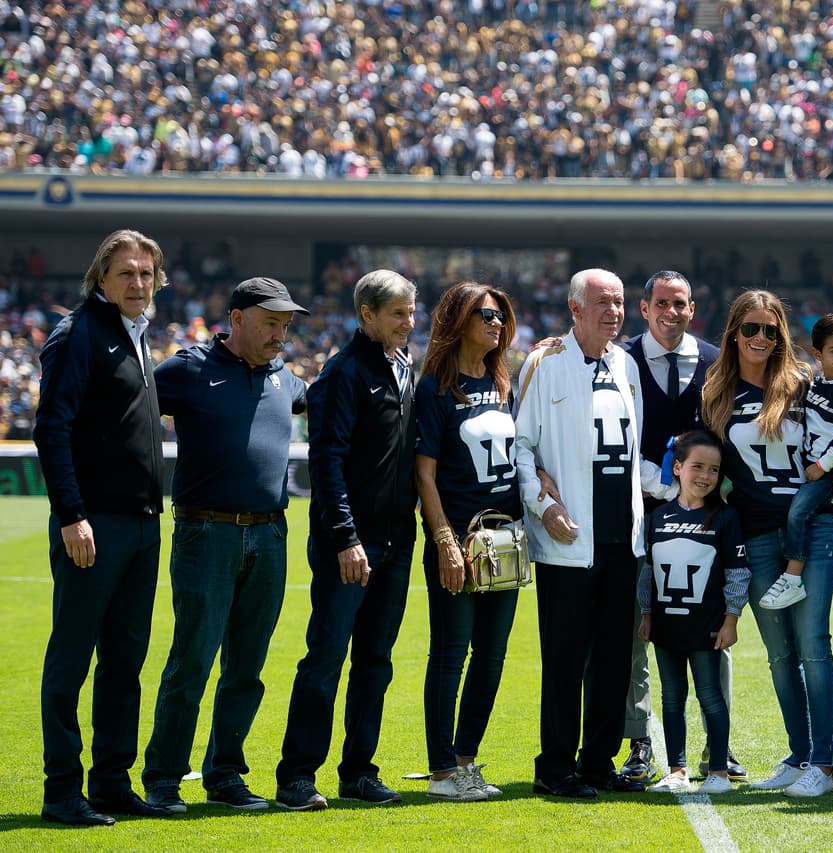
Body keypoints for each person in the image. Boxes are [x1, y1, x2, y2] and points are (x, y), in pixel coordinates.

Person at [141, 278, 309, 814]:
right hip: (205, 532)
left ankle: (224, 775)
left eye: (286, 324)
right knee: (192, 659)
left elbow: (340, 394)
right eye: (270, 322)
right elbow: (125, 402)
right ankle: (164, 779)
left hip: (270, 533)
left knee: (247, 667)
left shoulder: (288, 380)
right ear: (236, 319)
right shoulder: (187, 369)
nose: (280, 334)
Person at [33, 229, 172, 826]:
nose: (138, 283)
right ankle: (63, 790)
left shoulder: (135, 334)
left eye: (146, 274)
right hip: (93, 526)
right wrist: (71, 515)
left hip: (142, 527)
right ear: (101, 279)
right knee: (71, 663)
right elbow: (51, 430)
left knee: (124, 663)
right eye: (126, 274)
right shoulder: (78, 334)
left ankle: (112, 782)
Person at [513, 268, 661, 799]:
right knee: (565, 660)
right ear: (575, 308)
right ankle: (555, 767)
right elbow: (520, 447)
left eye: (620, 303)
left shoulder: (625, 364)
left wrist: (672, 486)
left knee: (614, 660)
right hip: (568, 541)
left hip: (623, 539)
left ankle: (597, 763)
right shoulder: (544, 363)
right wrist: (542, 503)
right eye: (603, 303)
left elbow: (635, 447)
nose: (614, 312)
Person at [275, 270, 418, 811]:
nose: (408, 323)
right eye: (398, 314)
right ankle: (296, 777)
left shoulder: (404, 368)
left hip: (396, 544)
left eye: (411, 312)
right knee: (327, 657)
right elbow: (326, 462)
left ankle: (359, 771)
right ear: (367, 315)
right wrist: (345, 538)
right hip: (350, 546)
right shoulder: (342, 373)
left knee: (375, 662)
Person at [700, 289, 833, 799]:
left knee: (814, 647)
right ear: (734, 333)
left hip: (812, 529)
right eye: (751, 328)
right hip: (757, 534)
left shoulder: (804, 386)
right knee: (780, 656)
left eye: (771, 330)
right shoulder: (715, 393)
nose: (761, 338)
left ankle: (823, 764)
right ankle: (799, 753)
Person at [616, 270, 744, 784]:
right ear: (644, 308)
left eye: (682, 303)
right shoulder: (619, 358)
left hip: (703, 515)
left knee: (712, 625)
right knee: (639, 628)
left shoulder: (717, 362)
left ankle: (720, 745)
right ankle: (640, 741)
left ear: (693, 309)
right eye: (662, 303)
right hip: (639, 511)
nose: (672, 312)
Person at [413, 281, 521, 802]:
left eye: (500, 315)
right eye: (485, 314)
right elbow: (425, 476)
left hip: (504, 540)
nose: (496, 323)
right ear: (458, 318)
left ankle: (465, 761)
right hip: (458, 535)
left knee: (493, 655)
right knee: (451, 653)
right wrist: (444, 542)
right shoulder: (436, 384)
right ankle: (439, 772)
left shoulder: (504, 379)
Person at [638, 430, 749, 796]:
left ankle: (718, 770)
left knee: (710, 696)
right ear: (679, 467)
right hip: (667, 625)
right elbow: (647, 571)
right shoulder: (656, 515)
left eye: (714, 470)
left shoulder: (726, 516)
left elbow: (736, 573)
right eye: (697, 466)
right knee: (671, 696)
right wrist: (647, 614)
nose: (705, 476)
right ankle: (677, 769)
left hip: (707, 626)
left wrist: (731, 619)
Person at [758, 313, 833, 610]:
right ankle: (830, 574)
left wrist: (822, 468)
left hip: (828, 473)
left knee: (798, 514)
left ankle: (793, 578)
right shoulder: (814, 385)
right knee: (791, 514)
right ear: (818, 353)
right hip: (808, 471)